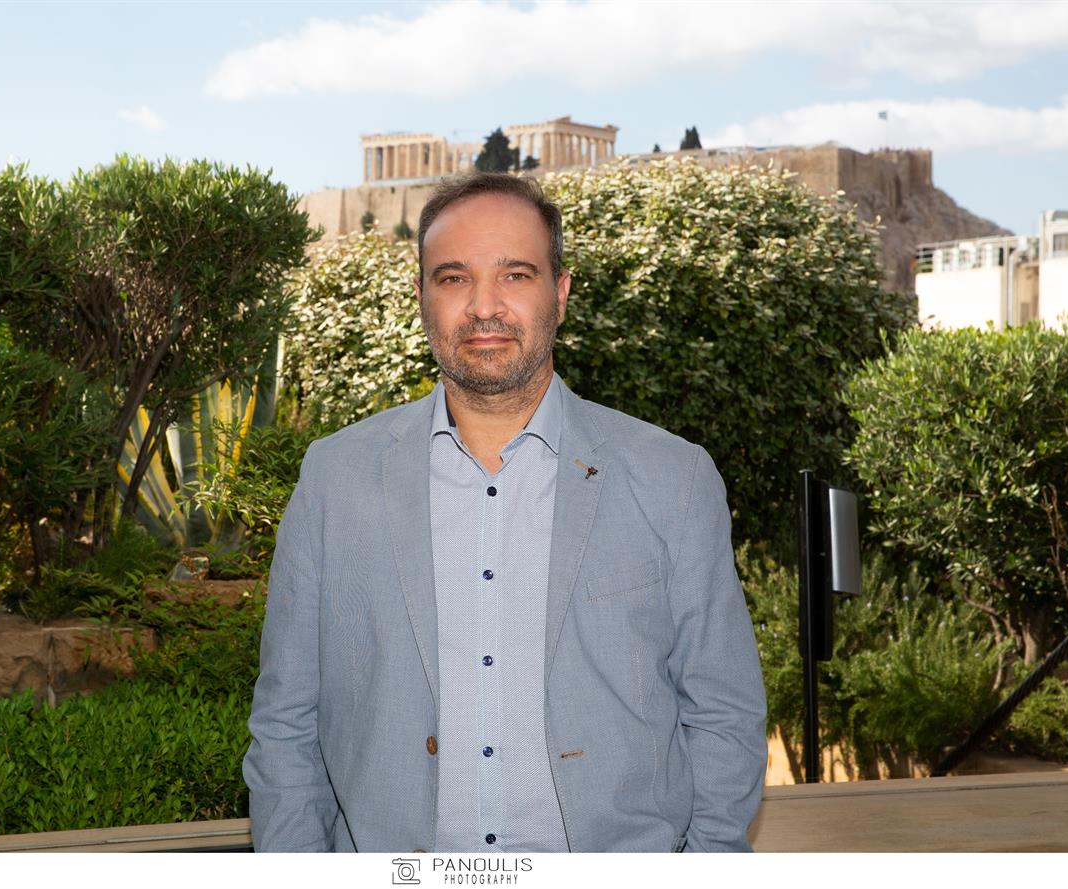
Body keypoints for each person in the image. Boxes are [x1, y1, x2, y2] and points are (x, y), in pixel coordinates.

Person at [243, 172, 766, 853]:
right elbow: (286, 725)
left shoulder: (673, 479)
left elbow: (724, 714)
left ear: (561, 293)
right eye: (454, 278)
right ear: (422, 297)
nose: (484, 307)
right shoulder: (335, 480)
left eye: (515, 275)